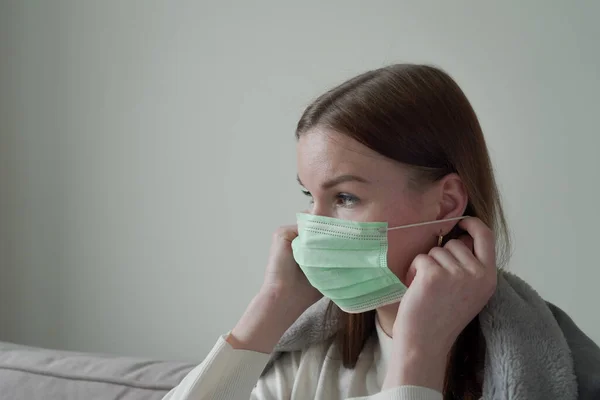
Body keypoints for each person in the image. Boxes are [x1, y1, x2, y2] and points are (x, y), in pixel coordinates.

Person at [163, 64, 600, 400]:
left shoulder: (552, 361)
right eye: (309, 197)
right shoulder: (310, 355)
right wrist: (270, 308)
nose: (312, 228)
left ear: (446, 204)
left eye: (345, 198)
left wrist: (416, 354)